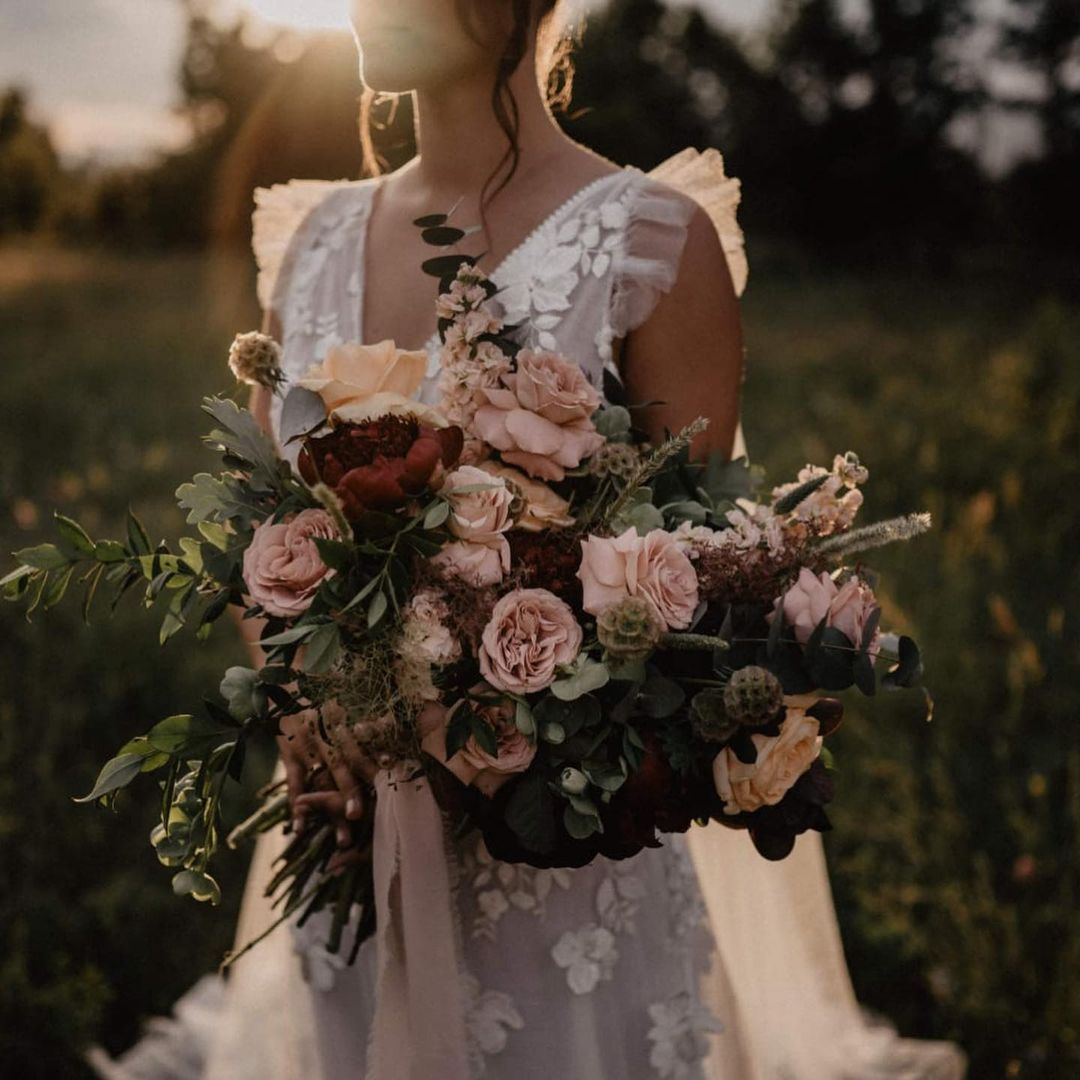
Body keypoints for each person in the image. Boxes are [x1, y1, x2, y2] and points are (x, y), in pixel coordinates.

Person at [90, 2, 967, 1077]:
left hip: (561, 868)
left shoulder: (651, 241)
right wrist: (318, 709)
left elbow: (680, 589)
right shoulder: (314, 240)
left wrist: (479, 716)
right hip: (351, 833)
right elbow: (269, 534)